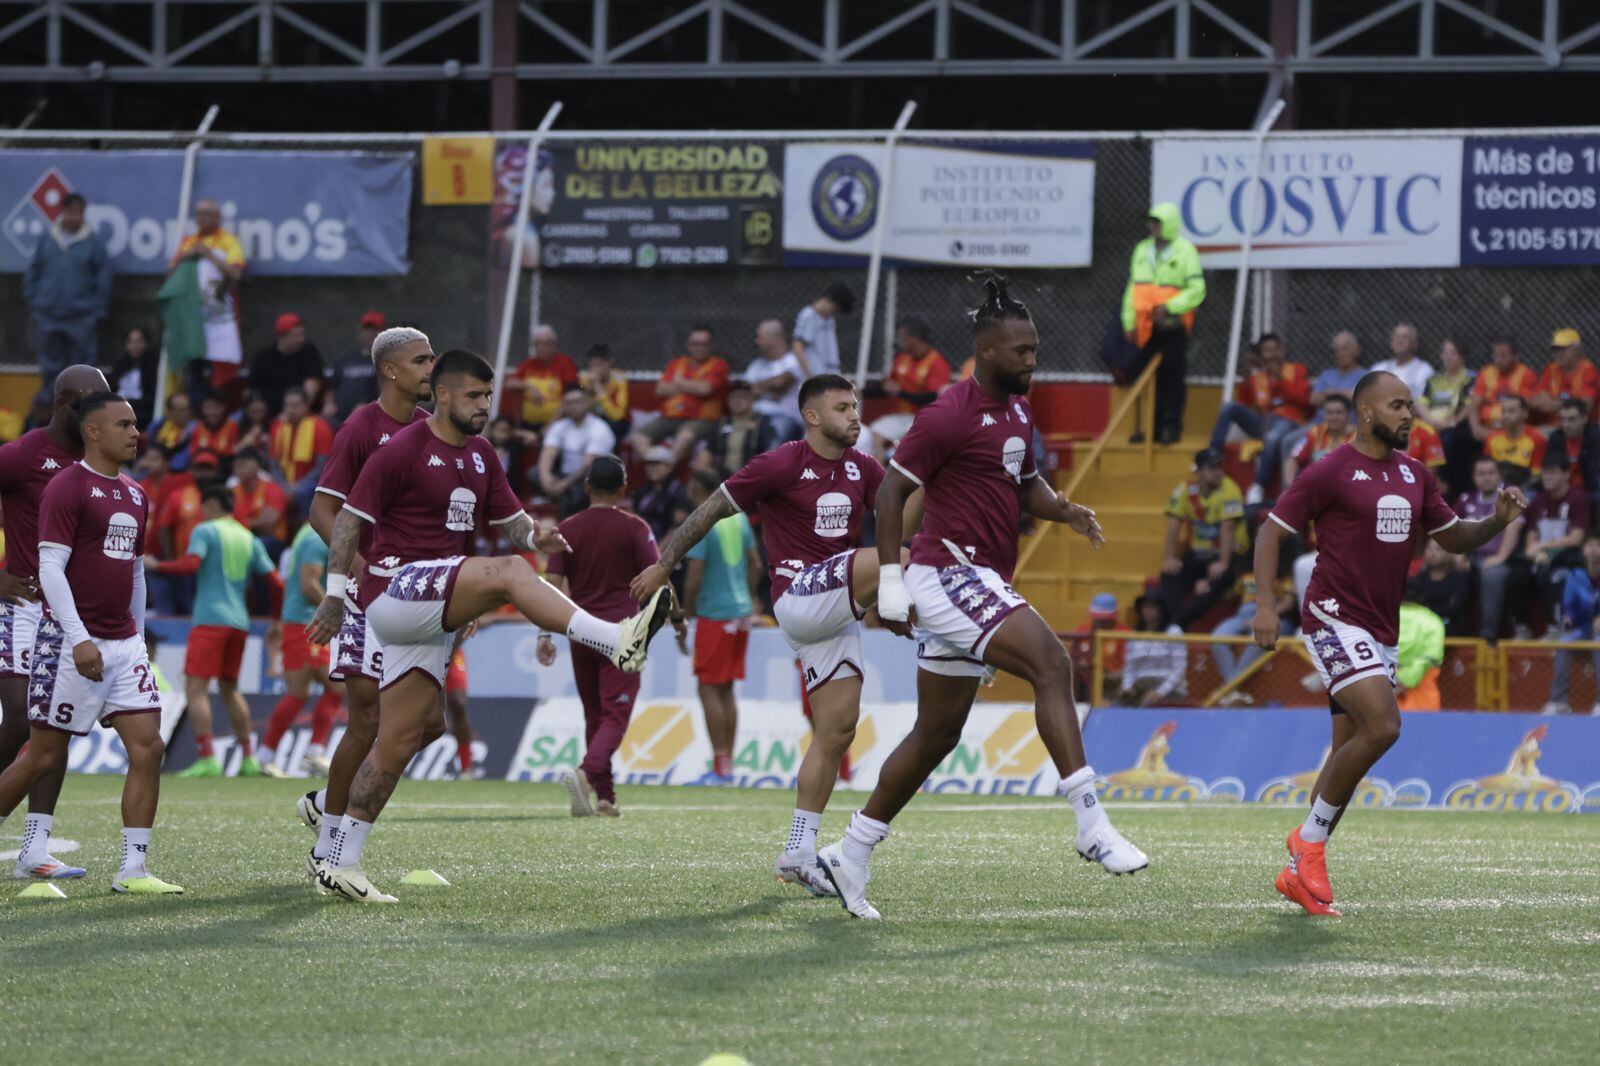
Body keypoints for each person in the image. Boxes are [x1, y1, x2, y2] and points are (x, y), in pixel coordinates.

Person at [817, 275, 1146, 921]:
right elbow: (889, 496)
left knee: (938, 733)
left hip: (980, 578)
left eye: (1034, 347)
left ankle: (850, 852)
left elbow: (1024, 487)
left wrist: (1066, 510)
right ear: (987, 353)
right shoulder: (945, 414)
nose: (1032, 359)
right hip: (948, 575)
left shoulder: (1019, 409)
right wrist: (889, 583)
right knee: (1052, 665)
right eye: (1021, 351)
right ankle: (1091, 823)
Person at [303, 348, 673, 903]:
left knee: (403, 737)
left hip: (434, 604)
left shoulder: (481, 455)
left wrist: (538, 537)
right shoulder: (401, 448)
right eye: (474, 395)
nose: (485, 405)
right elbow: (347, 524)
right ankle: (614, 639)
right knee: (507, 573)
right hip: (394, 590)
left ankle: (338, 861)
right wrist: (335, 597)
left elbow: (514, 523)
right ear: (444, 395)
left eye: (488, 395)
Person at [1253, 369, 1525, 916]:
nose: (1410, 414)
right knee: (1384, 726)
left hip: (1382, 631)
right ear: (1368, 412)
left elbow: (1455, 538)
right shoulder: (1330, 471)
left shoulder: (1416, 475)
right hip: (1333, 619)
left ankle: (1299, 873)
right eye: (1399, 405)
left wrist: (1495, 521)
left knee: (1342, 759)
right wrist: (1264, 603)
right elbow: (1271, 531)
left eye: (1412, 405)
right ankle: (1306, 846)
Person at [0, 391, 179, 894]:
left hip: (123, 645)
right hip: (69, 643)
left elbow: (136, 573)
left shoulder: (136, 493)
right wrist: (78, 638)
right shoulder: (67, 486)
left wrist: (138, 638)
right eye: (123, 424)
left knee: (149, 747)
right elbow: (50, 567)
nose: (134, 432)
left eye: (135, 424)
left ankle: (133, 871)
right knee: (40, 757)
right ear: (93, 432)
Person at [294, 326, 437, 882]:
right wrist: (356, 572)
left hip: (420, 596)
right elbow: (321, 512)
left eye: (433, 359)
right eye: (420, 360)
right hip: (363, 596)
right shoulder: (361, 427)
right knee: (369, 718)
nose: (431, 369)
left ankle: (326, 799)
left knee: (432, 723)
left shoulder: (431, 431)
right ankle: (331, 846)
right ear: (391, 371)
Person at [0, 364, 108, 879]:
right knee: (21, 716)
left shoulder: (98, 461)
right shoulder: (23, 455)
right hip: (19, 606)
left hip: (73, 616)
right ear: (66, 404)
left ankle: (35, 851)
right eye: (94, 403)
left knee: (53, 728)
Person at [545, 456, 668, 817]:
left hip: (579, 630)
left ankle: (605, 797)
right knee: (616, 714)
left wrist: (544, 632)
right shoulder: (634, 527)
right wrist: (674, 618)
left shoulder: (567, 527)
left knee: (595, 714)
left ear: (585, 487)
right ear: (622, 488)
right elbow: (657, 576)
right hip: (622, 632)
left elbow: (551, 586)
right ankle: (586, 774)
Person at [149, 484, 281, 779]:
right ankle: (248, 759)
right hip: (239, 623)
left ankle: (208, 758)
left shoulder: (206, 531)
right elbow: (275, 581)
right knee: (230, 689)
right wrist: (276, 617)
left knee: (195, 689)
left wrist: (157, 564)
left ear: (211, 506)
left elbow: (191, 564)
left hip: (210, 619)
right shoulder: (248, 537)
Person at [678, 469, 761, 786]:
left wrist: (684, 614)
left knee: (708, 687)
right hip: (740, 613)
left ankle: (721, 767)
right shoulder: (738, 519)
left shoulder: (704, 519)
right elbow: (755, 564)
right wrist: (750, 596)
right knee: (725, 688)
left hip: (715, 613)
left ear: (695, 485)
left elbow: (694, 577)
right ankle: (726, 766)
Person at [258, 521, 345, 776]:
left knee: (310, 690)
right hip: (306, 622)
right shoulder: (318, 538)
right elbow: (309, 585)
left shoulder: (307, 533)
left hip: (304, 621)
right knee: (325, 687)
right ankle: (310, 753)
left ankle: (271, 756)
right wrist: (338, 613)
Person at [1121, 202, 1205, 445]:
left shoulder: (1186, 250)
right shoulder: (1142, 250)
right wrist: (1129, 322)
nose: (1153, 226)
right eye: (1151, 222)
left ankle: (1171, 428)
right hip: (1147, 327)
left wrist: (1169, 307)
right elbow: (1133, 289)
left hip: (1173, 326)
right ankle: (1151, 429)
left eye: (1157, 222)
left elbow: (1197, 289)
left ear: (1169, 223)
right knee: (1148, 380)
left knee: (1172, 379)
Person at [1208, 333, 1311, 504]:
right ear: (1261, 355)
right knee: (1229, 407)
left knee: (1272, 437)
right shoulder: (1258, 378)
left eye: (1275, 349)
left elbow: (1303, 400)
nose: (1272, 354)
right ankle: (1212, 457)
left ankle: (1258, 486)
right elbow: (1244, 403)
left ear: (1282, 351)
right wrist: (1246, 377)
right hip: (1264, 423)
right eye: (1267, 351)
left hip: (1290, 422)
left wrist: (1280, 379)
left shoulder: (1296, 370)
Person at [24, 193, 112, 383]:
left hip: (82, 316)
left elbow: (103, 279)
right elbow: (33, 270)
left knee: (82, 369)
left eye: (77, 213)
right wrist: (34, 301)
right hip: (47, 314)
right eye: (69, 213)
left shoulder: (94, 243)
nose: (73, 218)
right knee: (49, 366)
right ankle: (52, 405)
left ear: (83, 214)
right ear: (61, 213)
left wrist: (97, 310)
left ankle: (81, 408)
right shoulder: (46, 240)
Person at [1160, 448, 1248, 629]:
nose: (1219, 472)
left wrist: (1223, 563)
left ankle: (1174, 626)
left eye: (1220, 467)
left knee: (1216, 582)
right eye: (1212, 468)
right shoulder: (1186, 490)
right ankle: (1177, 626)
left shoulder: (1229, 489)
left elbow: (1228, 527)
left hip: (1228, 554)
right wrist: (1169, 558)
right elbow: (1174, 525)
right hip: (1199, 554)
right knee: (1169, 574)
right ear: (1198, 471)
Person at [168, 198, 246, 399]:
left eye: (206, 214)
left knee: (219, 368)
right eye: (198, 214)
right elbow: (170, 274)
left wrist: (209, 254)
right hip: (192, 317)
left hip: (218, 316)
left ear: (217, 216)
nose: (200, 218)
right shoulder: (189, 242)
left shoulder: (228, 241)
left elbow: (236, 274)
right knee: (194, 369)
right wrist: (188, 255)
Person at [630, 326, 731, 465]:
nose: (700, 348)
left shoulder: (719, 365)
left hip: (701, 420)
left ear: (711, 346)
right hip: (671, 417)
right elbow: (661, 389)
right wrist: (693, 386)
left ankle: (666, 467)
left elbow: (705, 389)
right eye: (695, 344)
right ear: (688, 346)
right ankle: (655, 460)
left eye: (704, 344)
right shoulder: (677, 363)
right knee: (638, 436)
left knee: (686, 435)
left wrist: (678, 382)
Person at [1459, 456, 1526, 644]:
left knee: (1492, 574)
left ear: (1499, 475)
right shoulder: (1466, 499)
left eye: (1491, 473)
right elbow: (1453, 529)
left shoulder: (1509, 497)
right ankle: (1452, 630)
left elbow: (1514, 527)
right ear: (1474, 477)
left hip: (1500, 559)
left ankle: (1488, 635)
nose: (1486, 478)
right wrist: (1459, 555)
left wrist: (1500, 557)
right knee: (1447, 568)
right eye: (1481, 473)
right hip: (1472, 556)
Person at [867, 317, 952, 459]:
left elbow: (933, 398)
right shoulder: (902, 358)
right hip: (900, 416)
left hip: (923, 418)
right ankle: (878, 477)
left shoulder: (937, 362)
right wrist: (859, 390)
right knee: (874, 435)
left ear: (915, 339)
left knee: (906, 444)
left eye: (902, 338)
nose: (899, 342)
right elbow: (887, 388)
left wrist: (900, 393)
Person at [1520, 452, 1589, 621]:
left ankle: (1555, 626)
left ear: (1566, 474)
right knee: (1516, 573)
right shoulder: (1538, 501)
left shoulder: (1578, 498)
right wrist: (1535, 552)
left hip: (1568, 555)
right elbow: (1531, 534)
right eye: (1544, 472)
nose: (1547, 477)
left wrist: (1542, 548)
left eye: (1552, 472)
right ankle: (1521, 627)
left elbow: (1576, 538)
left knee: (1552, 573)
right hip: (1542, 554)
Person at [537, 384, 617, 517]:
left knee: (573, 494)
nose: (573, 406)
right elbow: (547, 455)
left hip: (591, 478)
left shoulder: (599, 428)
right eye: (569, 403)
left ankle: (563, 525)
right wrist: (545, 477)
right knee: (535, 474)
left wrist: (563, 485)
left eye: (577, 402)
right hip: (565, 476)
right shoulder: (560, 426)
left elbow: (588, 465)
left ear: (587, 403)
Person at [1545, 532, 1600, 715]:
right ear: (1584, 551)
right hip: (1583, 629)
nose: (1593, 551)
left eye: (1597, 546)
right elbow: (1569, 606)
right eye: (1590, 546)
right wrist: (1569, 618)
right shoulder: (1576, 577)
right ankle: (1558, 702)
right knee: (1563, 642)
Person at [1211, 570, 1295, 686]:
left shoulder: (1284, 572)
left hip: (1276, 616)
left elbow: (1289, 602)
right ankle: (1232, 686)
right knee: (1217, 638)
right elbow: (1232, 594)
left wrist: (1264, 615)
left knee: (1258, 639)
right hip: (1243, 616)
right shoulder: (1244, 571)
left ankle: (1231, 687)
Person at [1419, 337, 1476, 493]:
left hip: (1456, 426)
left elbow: (1470, 404)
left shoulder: (1470, 378)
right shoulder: (1434, 380)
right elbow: (1421, 403)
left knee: (1449, 438)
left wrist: (1453, 422)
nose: (1448, 356)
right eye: (1445, 352)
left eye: (1453, 353)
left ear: (1463, 357)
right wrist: (1430, 421)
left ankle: (1444, 483)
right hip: (1432, 424)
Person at [269, 386, 335, 518]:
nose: (290, 410)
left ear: (306, 405)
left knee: (302, 492)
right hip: (285, 482)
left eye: (295, 405)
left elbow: (321, 466)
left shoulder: (319, 427)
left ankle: (307, 529)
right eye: (287, 405)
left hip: (311, 483)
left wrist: (297, 487)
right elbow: (273, 463)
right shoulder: (278, 426)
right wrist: (283, 486)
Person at [504, 324, 579, 433]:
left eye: (545, 344)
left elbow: (570, 396)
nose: (541, 348)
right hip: (528, 424)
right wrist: (529, 387)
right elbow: (509, 383)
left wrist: (550, 425)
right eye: (537, 344)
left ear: (554, 345)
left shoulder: (565, 363)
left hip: (557, 424)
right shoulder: (529, 364)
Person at [249, 312, 326, 418]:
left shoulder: (308, 351)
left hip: (302, 414)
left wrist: (293, 411)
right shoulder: (263, 356)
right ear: (281, 336)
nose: (300, 340)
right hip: (268, 416)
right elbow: (253, 390)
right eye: (295, 336)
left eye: (302, 335)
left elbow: (312, 386)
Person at [1468, 338, 1538, 447]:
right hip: (1485, 427)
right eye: (1495, 356)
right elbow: (1473, 405)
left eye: (1503, 356)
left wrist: (1497, 429)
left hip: (1510, 429)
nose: (1498, 360)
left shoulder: (1526, 375)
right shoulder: (1486, 373)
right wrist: (1476, 428)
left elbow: (1525, 409)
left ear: (1515, 357)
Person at [701, 379, 779, 476]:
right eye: (734, 397)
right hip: (721, 479)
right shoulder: (720, 423)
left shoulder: (763, 422)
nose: (737, 401)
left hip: (752, 476)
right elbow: (707, 452)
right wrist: (705, 471)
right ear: (728, 401)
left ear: (751, 399)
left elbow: (771, 452)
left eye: (742, 397)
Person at [1118, 594, 1186, 706]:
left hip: (1170, 688)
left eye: (1151, 607)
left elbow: (1179, 668)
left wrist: (1160, 692)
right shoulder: (1134, 634)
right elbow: (1130, 667)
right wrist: (1127, 687)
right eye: (1144, 607)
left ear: (1161, 610)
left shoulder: (1173, 632)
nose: (1147, 611)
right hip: (1140, 687)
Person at [746, 320, 805, 443]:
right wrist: (770, 391)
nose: (756, 342)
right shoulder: (756, 365)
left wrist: (758, 388)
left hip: (784, 418)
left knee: (776, 435)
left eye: (760, 338)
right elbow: (745, 391)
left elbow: (781, 384)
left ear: (773, 339)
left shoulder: (793, 361)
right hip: (755, 417)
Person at [324, 310, 386, 423]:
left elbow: (385, 392)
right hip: (338, 417)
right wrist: (329, 403)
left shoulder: (384, 360)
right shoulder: (347, 359)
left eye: (374, 330)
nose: (369, 333)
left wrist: (368, 406)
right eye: (366, 329)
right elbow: (331, 384)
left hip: (368, 417)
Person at [1067, 593, 1128, 703]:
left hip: (1110, 680)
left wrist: (1118, 673)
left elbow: (1129, 666)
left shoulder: (1124, 633)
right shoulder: (1082, 630)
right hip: (1084, 678)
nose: (1100, 622)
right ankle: (1072, 704)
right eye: (1097, 618)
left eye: (1105, 619)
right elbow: (1072, 656)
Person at [1532, 328, 1597, 427]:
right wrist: (1571, 403)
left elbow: (1585, 407)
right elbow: (1537, 402)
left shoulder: (1588, 370)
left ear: (1576, 350)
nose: (1558, 353)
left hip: (1582, 428)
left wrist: (1552, 404)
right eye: (1556, 350)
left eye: (1563, 349)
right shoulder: (1551, 369)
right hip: (1553, 426)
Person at [1405, 539, 1471, 636]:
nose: (1433, 553)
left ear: (1449, 553)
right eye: (1429, 549)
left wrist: (1430, 615)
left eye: (1438, 549)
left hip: (1449, 625)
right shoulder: (1420, 577)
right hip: (1424, 623)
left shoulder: (1459, 577)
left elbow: (1454, 607)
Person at [1283, 395, 1354, 485]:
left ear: (1348, 414)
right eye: (1329, 413)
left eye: (1338, 413)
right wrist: (1290, 487)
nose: (1333, 417)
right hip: (1316, 489)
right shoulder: (1315, 433)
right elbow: (1293, 458)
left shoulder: (1359, 438)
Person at [229, 447, 288, 553]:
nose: (239, 468)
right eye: (236, 465)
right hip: (241, 539)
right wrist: (254, 522)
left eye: (243, 464)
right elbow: (227, 523)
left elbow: (269, 526)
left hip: (271, 541)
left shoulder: (272, 489)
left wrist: (241, 522)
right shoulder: (232, 492)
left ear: (257, 465)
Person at [631, 445, 692, 544]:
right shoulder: (642, 492)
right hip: (644, 545)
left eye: (657, 464)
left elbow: (678, 527)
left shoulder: (679, 491)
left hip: (668, 550)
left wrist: (658, 553)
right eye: (649, 464)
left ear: (670, 466)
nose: (652, 468)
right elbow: (633, 521)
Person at [792, 282, 855, 376]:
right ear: (828, 300)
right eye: (834, 310)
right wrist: (809, 375)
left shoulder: (829, 319)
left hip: (830, 372)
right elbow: (798, 347)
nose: (833, 313)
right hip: (817, 374)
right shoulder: (809, 316)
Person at [1394, 601, 1447, 712]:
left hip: (1382, 695)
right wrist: (1405, 680)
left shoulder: (1382, 616)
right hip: (1423, 700)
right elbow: (1431, 657)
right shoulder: (1432, 621)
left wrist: (1392, 680)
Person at [1484, 394, 1546, 487]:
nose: (1506, 416)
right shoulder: (1492, 439)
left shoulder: (1537, 439)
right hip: (1497, 486)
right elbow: (1486, 469)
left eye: (1511, 411)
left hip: (1525, 487)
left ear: (1525, 413)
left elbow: (1536, 475)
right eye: (1504, 411)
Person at [105, 326, 159, 430]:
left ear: (146, 343)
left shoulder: (153, 366)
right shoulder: (121, 364)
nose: (135, 345)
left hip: (140, 411)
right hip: (116, 406)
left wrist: (128, 401)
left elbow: (151, 398)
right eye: (131, 342)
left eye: (139, 341)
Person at [1546, 397, 1600, 496]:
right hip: (1563, 489)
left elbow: (1593, 470)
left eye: (1572, 419)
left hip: (1590, 488)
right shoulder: (1555, 438)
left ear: (1585, 418)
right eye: (1562, 419)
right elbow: (1551, 467)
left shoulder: (1596, 436)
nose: (1566, 424)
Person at [580, 344, 630, 442]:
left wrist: (599, 388)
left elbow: (617, 415)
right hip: (593, 418)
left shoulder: (619, 379)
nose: (595, 370)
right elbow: (580, 394)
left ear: (609, 364)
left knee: (612, 427)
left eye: (599, 365)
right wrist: (589, 390)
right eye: (592, 366)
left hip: (615, 421)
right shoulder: (585, 379)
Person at [1371, 323, 1433, 400]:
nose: (1400, 340)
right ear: (1391, 343)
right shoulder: (1379, 368)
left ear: (1415, 344)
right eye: (1396, 337)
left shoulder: (1424, 370)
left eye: (1405, 337)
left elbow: (1422, 402)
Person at [191, 392, 240, 460]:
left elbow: (235, 452)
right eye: (208, 408)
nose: (212, 412)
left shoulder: (233, 427)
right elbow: (194, 455)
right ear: (202, 409)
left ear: (224, 408)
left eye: (217, 408)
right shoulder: (197, 428)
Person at [148, 392, 195, 458]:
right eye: (182, 410)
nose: (187, 413)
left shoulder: (196, 428)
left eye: (188, 409)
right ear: (170, 412)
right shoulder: (157, 426)